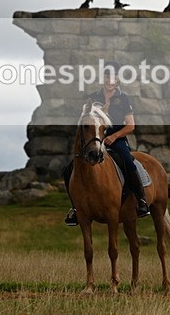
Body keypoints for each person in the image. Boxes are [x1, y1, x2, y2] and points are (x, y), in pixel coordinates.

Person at [63, 61, 150, 226]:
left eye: (114, 77)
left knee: (129, 163)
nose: (111, 80)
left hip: (115, 140)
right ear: (103, 78)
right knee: (68, 170)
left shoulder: (123, 99)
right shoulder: (92, 98)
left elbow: (131, 125)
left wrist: (114, 136)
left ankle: (141, 201)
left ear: (118, 80)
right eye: (108, 76)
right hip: (94, 139)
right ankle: (76, 209)